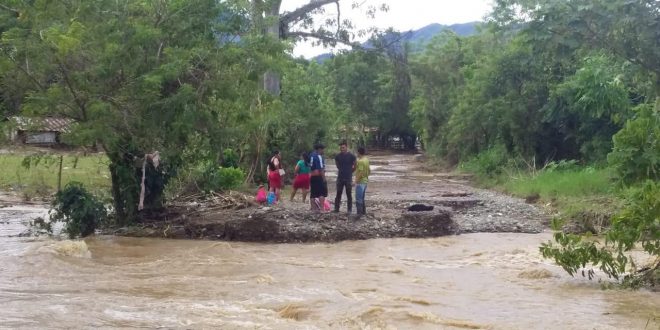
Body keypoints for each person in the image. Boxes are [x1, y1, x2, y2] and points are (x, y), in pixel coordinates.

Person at [334, 141, 356, 214]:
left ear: (346, 147)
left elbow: (355, 165)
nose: (342, 149)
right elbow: (337, 165)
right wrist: (342, 170)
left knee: (349, 194)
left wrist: (350, 171)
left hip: (348, 178)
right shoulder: (337, 156)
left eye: (343, 147)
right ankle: (336, 209)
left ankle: (349, 210)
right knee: (338, 193)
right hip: (340, 177)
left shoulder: (352, 156)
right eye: (341, 148)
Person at [309, 143, 327, 212]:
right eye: (323, 149)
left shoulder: (311, 155)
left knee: (313, 194)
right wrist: (324, 178)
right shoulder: (318, 156)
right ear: (320, 149)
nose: (323, 151)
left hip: (312, 176)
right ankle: (322, 209)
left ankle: (313, 209)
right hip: (318, 176)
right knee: (321, 193)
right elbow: (321, 169)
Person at [354, 146, 370, 216]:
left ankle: (359, 214)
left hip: (360, 182)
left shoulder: (360, 161)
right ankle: (363, 212)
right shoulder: (366, 159)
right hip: (365, 181)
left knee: (358, 198)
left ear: (358, 152)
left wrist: (355, 181)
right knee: (362, 198)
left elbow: (360, 172)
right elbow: (369, 170)